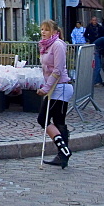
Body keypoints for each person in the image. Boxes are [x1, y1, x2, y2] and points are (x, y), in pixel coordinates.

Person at [37, 19, 74, 168]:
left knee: (43, 119)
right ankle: (62, 154)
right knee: (59, 122)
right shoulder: (45, 46)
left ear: (54, 31)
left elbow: (57, 70)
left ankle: (63, 150)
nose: (43, 32)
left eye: (46, 29)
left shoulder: (57, 45)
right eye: (42, 29)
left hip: (60, 88)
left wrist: (46, 88)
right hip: (54, 88)